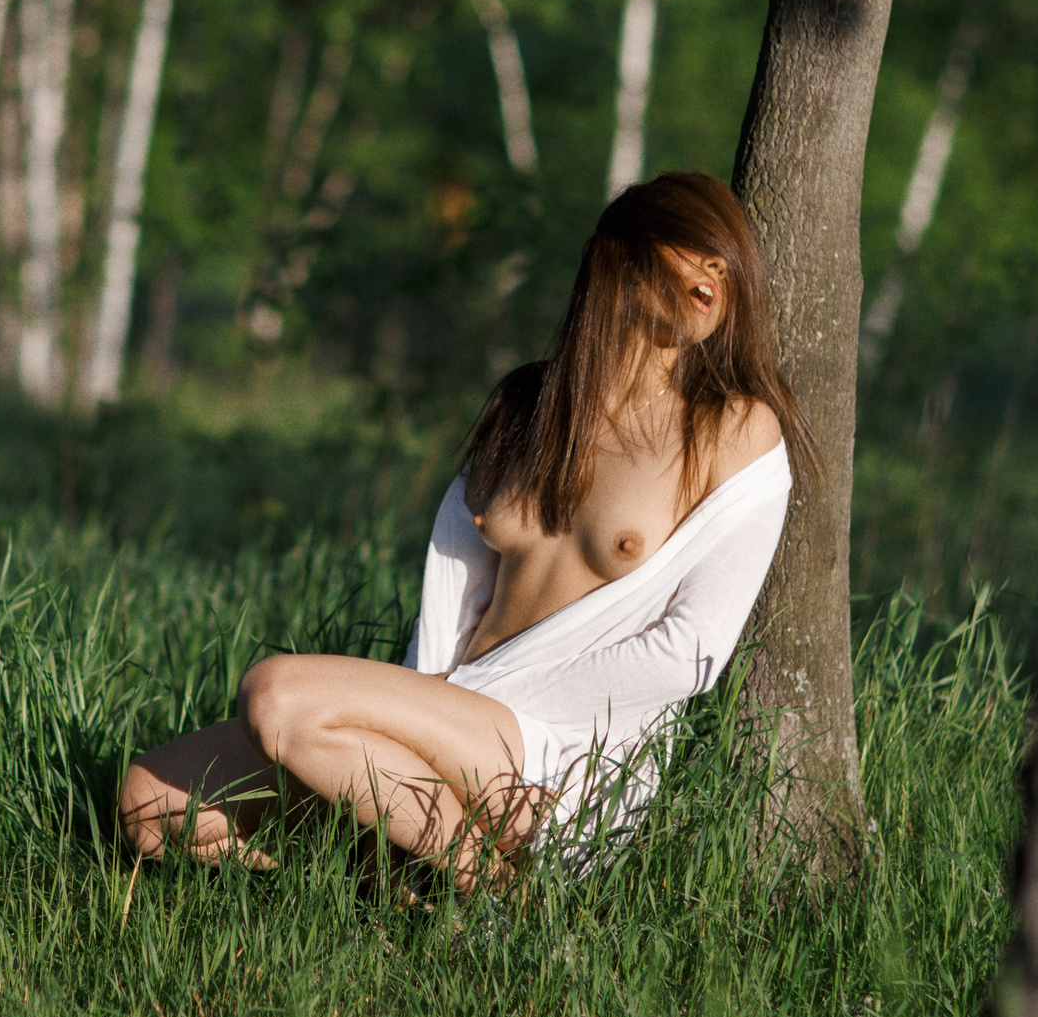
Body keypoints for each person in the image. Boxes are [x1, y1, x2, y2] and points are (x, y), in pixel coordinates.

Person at [117, 171, 814, 888]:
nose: (713, 271)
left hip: (554, 753)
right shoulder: (530, 406)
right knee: (148, 801)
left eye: (725, 259)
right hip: (450, 708)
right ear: (623, 255)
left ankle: (488, 886)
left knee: (275, 695)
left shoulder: (731, 427)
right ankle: (391, 871)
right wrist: (425, 704)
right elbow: (454, 587)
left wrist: (479, 699)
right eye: (693, 248)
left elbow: (690, 654)